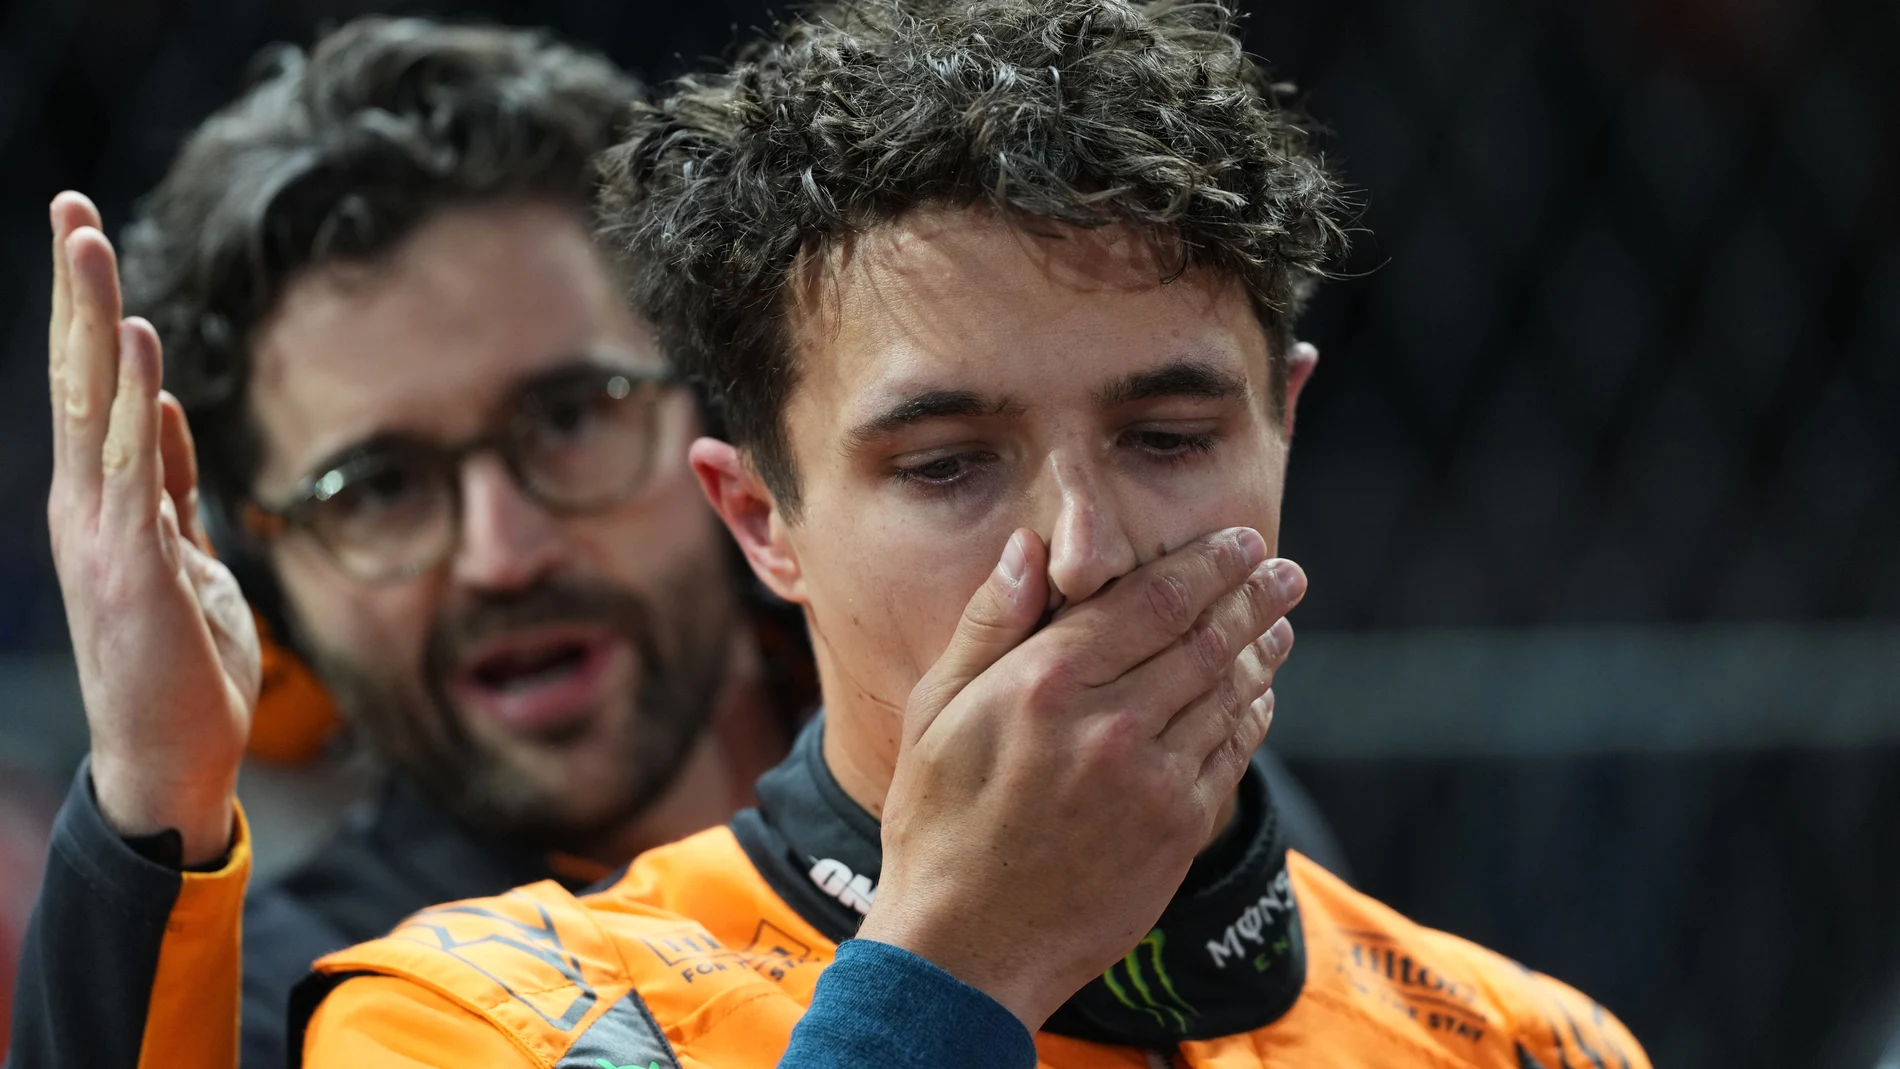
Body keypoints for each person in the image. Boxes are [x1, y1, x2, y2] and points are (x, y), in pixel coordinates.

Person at [289, 1, 1653, 1067]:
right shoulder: (477, 1023)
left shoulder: (1529, 1045)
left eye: (1169, 439)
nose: (1082, 550)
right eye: (947, 467)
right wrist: (960, 974)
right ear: (763, 520)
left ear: (1282, 429)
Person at [8, 13, 1344, 1069]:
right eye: (378, 489)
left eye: (571, 417)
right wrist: (148, 797)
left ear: (738, 436)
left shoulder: (1147, 794)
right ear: (268, 572)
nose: (502, 549)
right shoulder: (321, 1000)